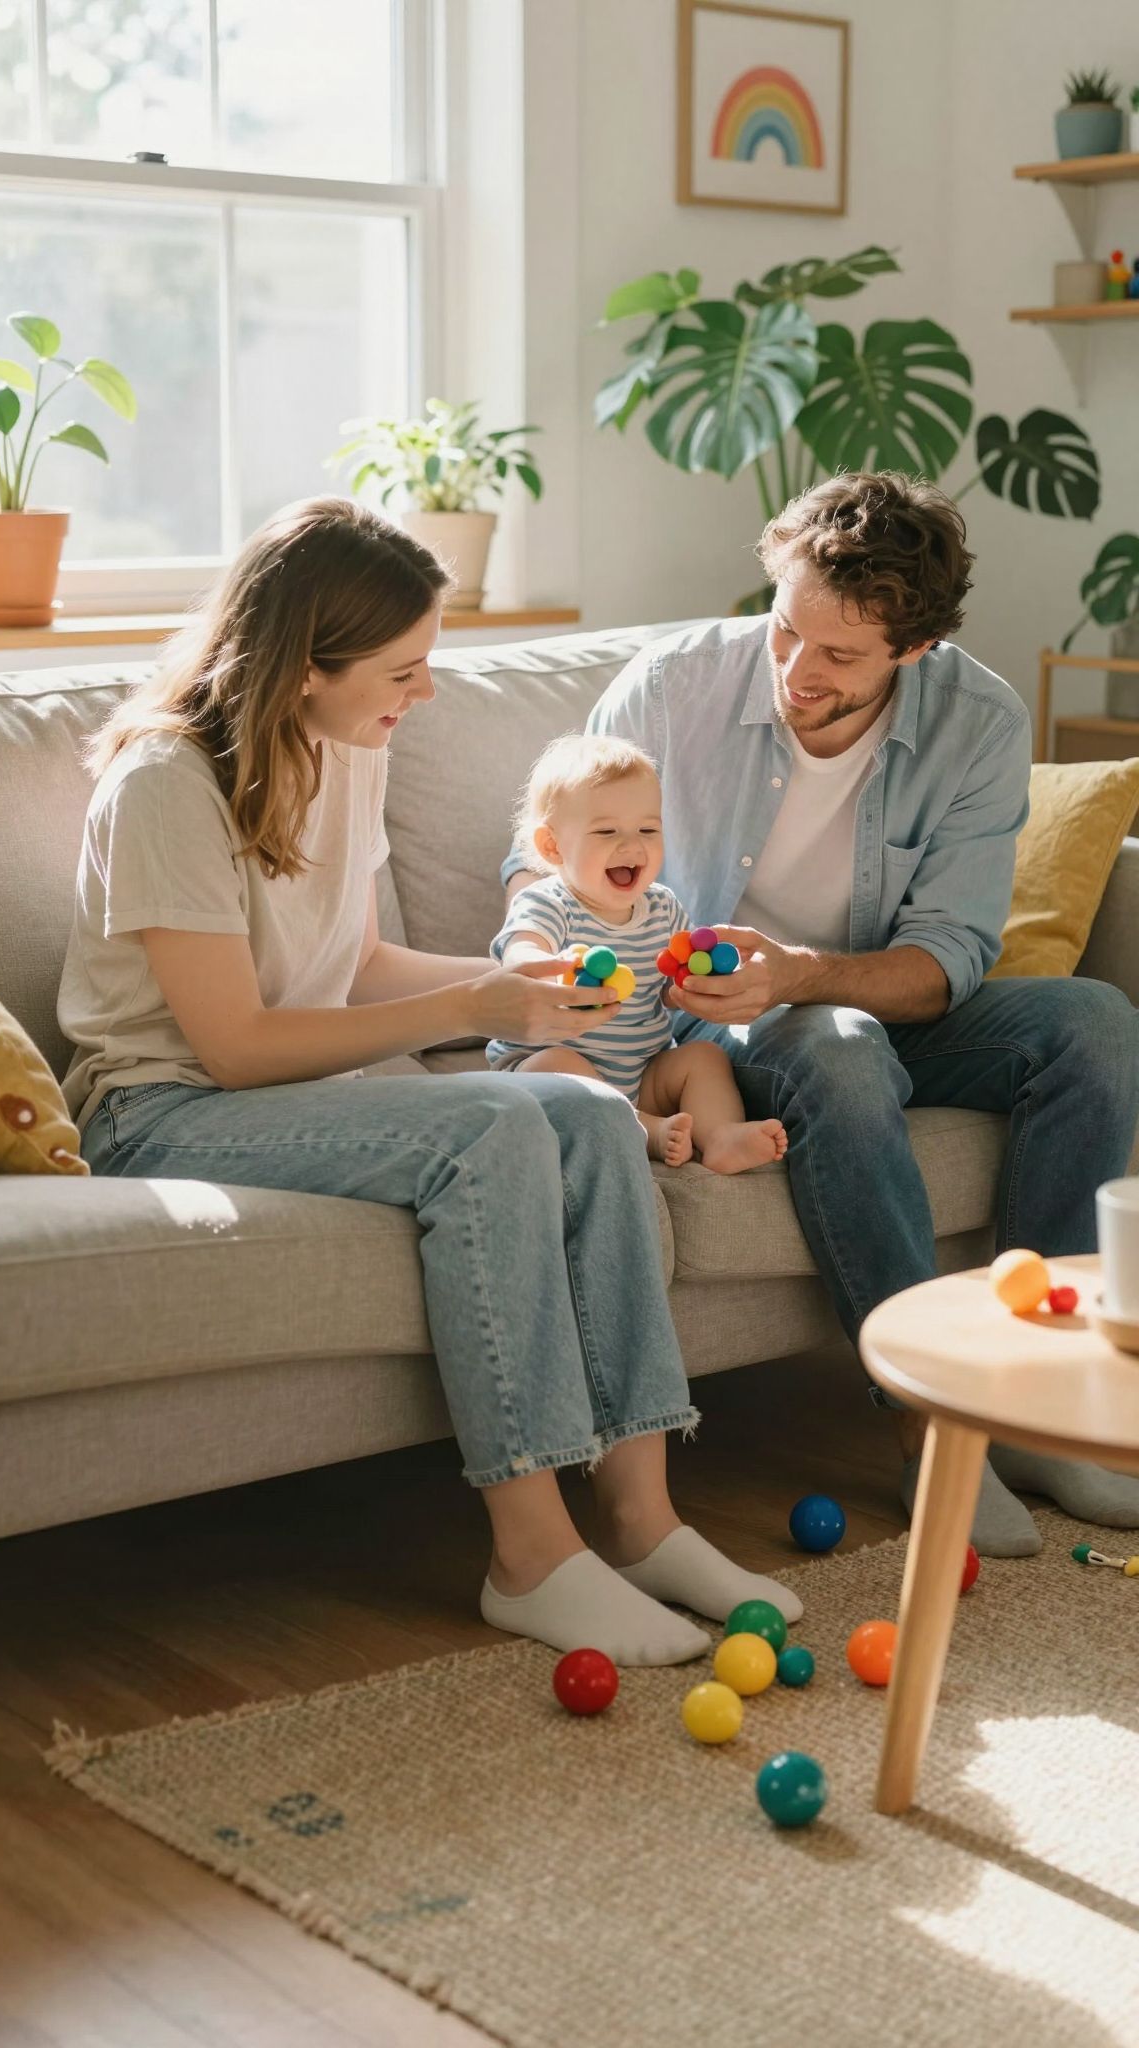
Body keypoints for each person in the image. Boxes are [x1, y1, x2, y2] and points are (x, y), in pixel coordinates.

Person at [58, 495, 803, 1668]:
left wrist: (533, 976)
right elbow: (235, 1046)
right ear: (308, 662)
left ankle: (644, 1518)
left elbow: (348, 963)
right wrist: (469, 1010)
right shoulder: (166, 783)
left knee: (586, 1111)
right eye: (405, 666)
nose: (427, 691)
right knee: (493, 1131)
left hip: (263, 1091)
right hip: (161, 1109)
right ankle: (530, 1558)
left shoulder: (345, 747)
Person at [504, 471, 1139, 1558]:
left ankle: (1037, 1403)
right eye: (786, 630)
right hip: (700, 1025)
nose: (799, 671)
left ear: (914, 647)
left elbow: (950, 960)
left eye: (840, 655)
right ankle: (935, 1426)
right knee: (839, 1054)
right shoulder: (671, 685)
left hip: (840, 990)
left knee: (1095, 1022)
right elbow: (545, 859)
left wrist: (799, 972)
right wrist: (574, 971)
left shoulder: (976, 720)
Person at [488, 732, 788, 1172]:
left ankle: (719, 1135)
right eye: (607, 831)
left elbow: (674, 984)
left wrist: (702, 982)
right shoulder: (549, 903)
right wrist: (553, 974)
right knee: (554, 1062)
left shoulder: (664, 908)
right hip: (550, 1071)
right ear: (553, 846)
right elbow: (522, 950)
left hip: (641, 1072)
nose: (633, 845)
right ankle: (644, 1130)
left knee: (703, 1058)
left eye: (648, 829)